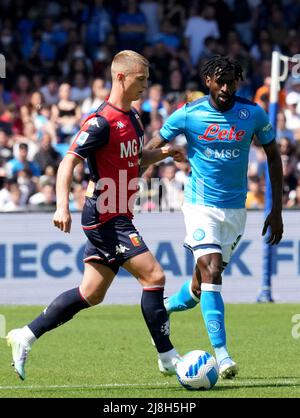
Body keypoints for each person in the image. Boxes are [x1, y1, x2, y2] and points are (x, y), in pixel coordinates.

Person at [6, 50, 185, 381]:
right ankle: (168, 356)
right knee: (154, 277)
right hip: (105, 214)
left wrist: (163, 154)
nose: (146, 85)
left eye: (147, 79)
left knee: (91, 292)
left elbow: (135, 160)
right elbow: (68, 161)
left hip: (119, 212)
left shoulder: (133, 118)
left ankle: (25, 334)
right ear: (121, 77)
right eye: (141, 79)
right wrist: (62, 206)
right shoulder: (100, 121)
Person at [145, 56, 283, 379]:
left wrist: (275, 210)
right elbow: (153, 145)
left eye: (231, 81)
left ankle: (161, 309)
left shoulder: (252, 114)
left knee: (199, 285)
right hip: (199, 205)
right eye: (219, 81)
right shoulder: (189, 115)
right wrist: (134, 172)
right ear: (207, 81)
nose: (225, 87)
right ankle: (221, 355)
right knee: (212, 269)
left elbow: (274, 157)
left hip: (235, 211)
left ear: (238, 82)